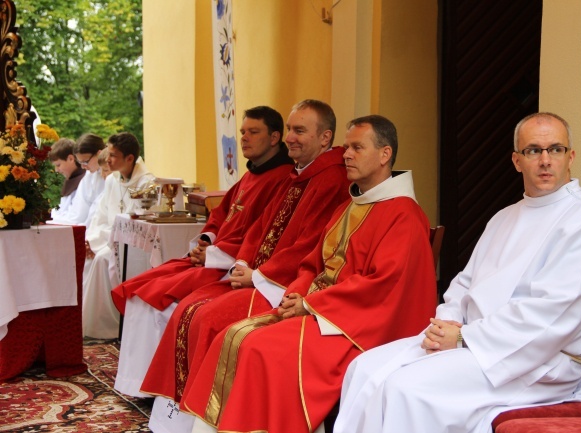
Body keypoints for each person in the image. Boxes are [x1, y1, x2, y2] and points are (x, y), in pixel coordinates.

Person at [331, 112, 581, 433]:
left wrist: (463, 338)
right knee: (362, 369)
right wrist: (446, 323)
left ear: (570, 157)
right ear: (517, 161)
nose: (545, 160)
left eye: (555, 149)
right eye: (533, 150)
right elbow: (465, 283)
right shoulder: (505, 217)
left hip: (533, 363)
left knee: (406, 388)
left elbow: (552, 316)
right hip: (474, 344)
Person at [178, 114, 438, 433]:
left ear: (385, 155)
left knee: (261, 349)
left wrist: (312, 305)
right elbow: (313, 263)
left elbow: (382, 288)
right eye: (347, 147)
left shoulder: (404, 215)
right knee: (231, 336)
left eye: (357, 147)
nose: (346, 154)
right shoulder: (352, 205)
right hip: (322, 313)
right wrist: (298, 292)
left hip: (356, 329)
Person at [140, 99, 351, 433]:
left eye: (300, 130)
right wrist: (242, 261)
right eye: (291, 130)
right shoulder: (296, 176)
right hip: (259, 276)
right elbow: (260, 229)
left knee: (209, 319)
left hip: (284, 285)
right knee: (189, 310)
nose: (290, 138)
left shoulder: (331, 180)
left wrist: (259, 275)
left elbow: (312, 245)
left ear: (325, 138)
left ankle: (214, 422)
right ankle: (174, 423)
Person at [111, 106, 295, 397]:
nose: (244, 138)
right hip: (216, 257)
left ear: (274, 137)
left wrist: (213, 254)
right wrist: (207, 240)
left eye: (253, 132)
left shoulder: (283, 179)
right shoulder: (251, 175)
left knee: (156, 300)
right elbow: (222, 214)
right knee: (141, 290)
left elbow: (261, 236)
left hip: (232, 266)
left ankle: (151, 388)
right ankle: (136, 384)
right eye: (242, 131)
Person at [83, 132, 155, 339]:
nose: (108, 159)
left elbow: (138, 225)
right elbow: (101, 215)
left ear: (130, 158)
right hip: (110, 239)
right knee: (90, 258)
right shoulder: (112, 180)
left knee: (100, 260)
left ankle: (108, 327)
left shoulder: (147, 184)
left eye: (113, 155)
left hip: (133, 244)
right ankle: (94, 325)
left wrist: (100, 244)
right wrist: (91, 241)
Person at [48, 133, 106, 226]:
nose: (83, 166)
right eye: (80, 162)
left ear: (99, 154)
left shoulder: (113, 175)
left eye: (85, 162)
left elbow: (79, 216)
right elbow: (78, 212)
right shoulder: (88, 176)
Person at [48, 138, 86, 223]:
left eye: (58, 165)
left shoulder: (85, 181)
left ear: (71, 159)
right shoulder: (72, 179)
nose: (56, 170)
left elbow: (76, 216)